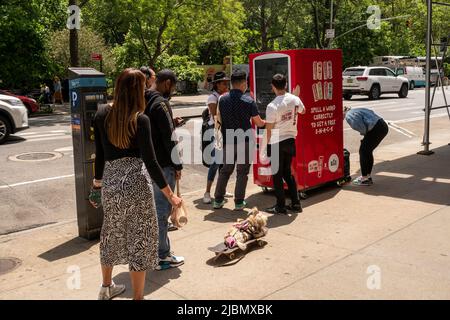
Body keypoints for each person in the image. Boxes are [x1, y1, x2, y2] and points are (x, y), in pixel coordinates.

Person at [91, 68, 182, 300]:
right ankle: (138, 297)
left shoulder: (101, 114)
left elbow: (99, 155)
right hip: (136, 184)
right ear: (136, 91)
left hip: (111, 183)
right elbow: (151, 162)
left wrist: (96, 186)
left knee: (110, 234)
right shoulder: (141, 120)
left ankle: (106, 287)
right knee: (140, 238)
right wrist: (171, 195)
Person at [145, 69, 185, 270]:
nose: (172, 91)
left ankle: (152, 250)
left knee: (152, 210)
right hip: (163, 165)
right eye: (173, 87)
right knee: (162, 210)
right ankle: (162, 255)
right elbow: (170, 139)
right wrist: (178, 165)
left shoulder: (143, 99)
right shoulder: (161, 103)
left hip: (147, 164)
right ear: (167, 83)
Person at [213, 70, 266, 210]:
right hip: (245, 141)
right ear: (244, 83)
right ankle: (238, 202)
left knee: (225, 170)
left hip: (228, 140)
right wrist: (269, 122)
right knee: (242, 172)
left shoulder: (222, 100)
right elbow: (259, 122)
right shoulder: (249, 101)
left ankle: (218, 200)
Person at [264, 74, 305, 214]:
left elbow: (269, 129)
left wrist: (265, 146)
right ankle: (296, 203)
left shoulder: (272, 106)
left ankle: (280, 206)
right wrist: (295, 98)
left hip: (276, 141)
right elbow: (303, 111)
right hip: (290, 140)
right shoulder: (295, 99)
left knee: (277, 175)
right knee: (287, 173)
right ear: (286, 84)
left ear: (273, 86)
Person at [202, 71, 233, 204]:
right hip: (215, 130)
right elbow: (216, 117)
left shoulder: (225, 96)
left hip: (224, 130)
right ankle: (207, 192)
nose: (227, 85)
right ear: (217, 85)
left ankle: (222, 189)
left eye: (227, 83)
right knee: (215, 162)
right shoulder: (213, 98)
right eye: (224, 83)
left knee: (223, 162)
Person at [344, 107, 389, 186]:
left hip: (375, 129)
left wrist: (365, 135)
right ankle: (367, 176)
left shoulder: (348, 116)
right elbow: (371, 112)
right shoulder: (357, 109)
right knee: (367, 151)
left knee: (363, 151)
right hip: (382, 125)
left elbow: (362, 128)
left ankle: (365, 178)